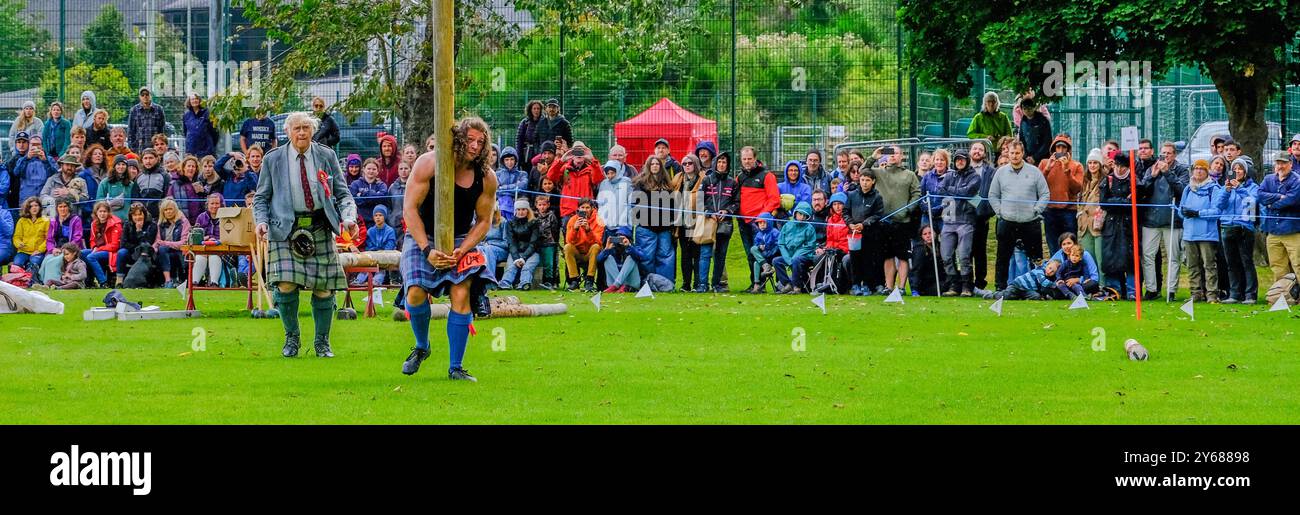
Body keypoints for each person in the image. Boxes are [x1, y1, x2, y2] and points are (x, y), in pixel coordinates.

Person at [398, 117, 500, 381]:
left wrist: (463, 249)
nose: (475, 146)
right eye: (470, 140)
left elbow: (485, 221)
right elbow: (409, 209)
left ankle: (456, 367)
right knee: (416, 293)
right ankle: (422, 346)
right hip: (423, 235)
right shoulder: (428, 163)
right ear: (457, 138)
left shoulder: (487, 178)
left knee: (461, 292)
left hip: (461, 239)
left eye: (481, 142)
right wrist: (426, 249)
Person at [253, 112, 359, 359]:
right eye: (297, 128)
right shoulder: (273, 159)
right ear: (288, 132)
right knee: (286, 284)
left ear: (313, 131)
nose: (301, 133)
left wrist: (348, 217)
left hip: (320, 225)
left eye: (306, 128)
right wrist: (261, 222)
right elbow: (261, 197)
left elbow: (343, 194)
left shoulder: (326, 155)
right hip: (284, 229)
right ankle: (292, 338)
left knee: (324, 288)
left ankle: (322, 343)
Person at [988, 140, 1049, 290]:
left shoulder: (1034, 172)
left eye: (1017, 153)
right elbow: (993, 195)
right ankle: (1000, 288)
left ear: (1023, 153)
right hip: (1007, 221)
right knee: (1002, 257)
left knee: (1036, 257)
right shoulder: (1000, 172)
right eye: (1012, 153)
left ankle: (1038, 287)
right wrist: (1000, 211)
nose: (1014, 156)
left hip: (1030, 221)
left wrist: (1037, 209)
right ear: (1007, 154)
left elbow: (1045, 194)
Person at [1137, 141, 1189, 301]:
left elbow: (1182, 190)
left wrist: (1168, 173)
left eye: (1168, 153)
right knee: (1148, 255)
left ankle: (1171, 290)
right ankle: (1152, 289)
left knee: (1173, 257)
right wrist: (1152, 177)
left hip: (1172, 219)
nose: (1165, 156)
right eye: (1163, 153)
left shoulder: (1181, 170)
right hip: (1151, 219)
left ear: (1174, 154)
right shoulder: (1151, 169)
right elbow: (1142, 189)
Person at [873, 144, 922, 294]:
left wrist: (907, 210)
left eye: (896, 153)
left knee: (902, 257)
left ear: (902, 156)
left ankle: (901, 287)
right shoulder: (879, 172)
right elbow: (862, 172)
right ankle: (888, 287)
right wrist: (874, 156)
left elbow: (917, 194)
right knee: (887, 257)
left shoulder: (909, 175)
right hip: (884, 222)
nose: (893, 155)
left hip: (902, 222)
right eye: (890, 153)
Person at [1178, 160, 1225, 303]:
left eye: (1202, 169)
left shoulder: (1214, 189)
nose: (1198, 171)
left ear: (1207, 171)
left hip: (1207, 234)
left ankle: (1212, 294)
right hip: (1189, 233)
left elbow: (1217, 212)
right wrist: (1185, 212)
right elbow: (1181, 209)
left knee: (1209, 265)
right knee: (1192, 265)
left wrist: (1198, 213)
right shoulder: (1188, 189)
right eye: (1196, 168)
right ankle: (1195, 293)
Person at [938, 150, 981, 296]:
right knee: (946, 255)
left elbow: (968, 192)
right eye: (957, 160)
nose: (960, 162)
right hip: (949, 219)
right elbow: (941, 190)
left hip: (966, 220)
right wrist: (958, 191)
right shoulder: (949, 175)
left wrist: (953, 191)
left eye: (962, 159)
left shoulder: (975, 176)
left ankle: (967, 286)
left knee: (964, 255)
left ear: (967, 161)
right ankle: (953, 285)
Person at [737, 146, 781, 284]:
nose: (747, 161)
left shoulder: (767, 176)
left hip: (760, 222)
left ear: (755, 158)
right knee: (750, 254)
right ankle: (754, 282)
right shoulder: (740, 177)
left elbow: (774, 199)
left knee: (759, 253)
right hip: (744, 222)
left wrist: (762, 216)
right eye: (744, 159)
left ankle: (760, 283)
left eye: (749, 159)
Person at [631, 155, 678, 283]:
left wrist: (672, 223)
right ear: (648, 166)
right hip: (646, 228)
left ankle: (665, 283)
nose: (655, 166)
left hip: (664, 228)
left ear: (661, 166)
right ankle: (646, 283)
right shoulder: (640, 183)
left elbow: (673, 206)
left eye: (657, 164)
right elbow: (635, 205)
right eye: (652, 164)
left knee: (666, 257)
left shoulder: (668, 185)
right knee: (646, 257)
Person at [1220, 157, 1259, 304]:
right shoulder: (1227, 187)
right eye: (1234, 169)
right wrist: (1227, 190)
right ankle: (1234, 294)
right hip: (1227, 226)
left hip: (1244, 227)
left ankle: (1250, 294)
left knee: (1246, 261)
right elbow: (1220, 205)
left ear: (1245, 171)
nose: (1237, 172)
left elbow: (1252, 203)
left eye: (1240, 169)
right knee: (1231, 263)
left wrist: (1239, 188)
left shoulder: (1252, 187)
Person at [1099, 153, 1137, 299]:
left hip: (1128, 225)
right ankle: (1114, 290)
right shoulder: (1107, 180)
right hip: (1111, 225)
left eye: (1123, 166)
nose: (1120, 169)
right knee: (1110, 258)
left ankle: (1132, 291)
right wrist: (1123, 201)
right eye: (1117, 165)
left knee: (1130, 259)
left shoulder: (1134, 180)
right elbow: (1103, 203)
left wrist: (1114, 202)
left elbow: (1134, 203)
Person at [1258, 151, 1300, 283]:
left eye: (1283, 163)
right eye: (1278, 163)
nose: (1280, 166)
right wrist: (1278, 196)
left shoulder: (1297, 181)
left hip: (1292, 231)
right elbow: (1260, 195)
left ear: (1290, 164)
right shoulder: (1268, 179)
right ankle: (1284, 296)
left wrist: (1271, 204)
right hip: (1273, 231)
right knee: (1277, 266)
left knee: (1298, 264)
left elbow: (1291, 200)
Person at [1039, 135, 1084, 255]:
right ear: (1053, 149)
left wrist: (1067, 171)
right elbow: (1037, 185)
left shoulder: (1076, 165)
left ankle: (1071, 269)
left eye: (1064, 147)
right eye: (1058, 147)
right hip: (1050, 210)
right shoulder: (1044, 163)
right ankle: (1057, 269)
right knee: (1053, 245)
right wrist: (1047, 169)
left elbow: (1077, 189)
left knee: (1071, 246)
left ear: (1068, 150)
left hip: (1069, 210)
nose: (1060, 150)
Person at [845, 169, 885, 295]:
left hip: (870, 234)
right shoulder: (852, 195)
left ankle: (867, 285)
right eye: (862, 180)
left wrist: (864, 224)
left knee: (868, 259)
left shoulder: (877, 197)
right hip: (854, 234)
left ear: (873, 181)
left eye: (868, 180)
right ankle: (855, 284)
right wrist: (850, 223)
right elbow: (845, 212)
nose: (864, 183)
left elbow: (878, 214)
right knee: (854, 259)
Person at [546, 142, 601, 220]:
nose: (579, 154)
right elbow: (550, 176)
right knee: (568, 231)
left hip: (586, 209)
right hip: (568, 210)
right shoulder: (565, 168)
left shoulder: (591, 169)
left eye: (582, 151)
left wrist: (592, 159)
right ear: (571, 153)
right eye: (576, 151)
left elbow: (598, 179)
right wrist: (561, 160)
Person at [675, 154, 706, 291]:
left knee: (697, 253)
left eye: (689, 163)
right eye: (684, 164)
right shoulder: (678, 179)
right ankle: (686, 283)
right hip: (681, 222)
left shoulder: (703, 179)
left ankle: (698, 283)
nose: (687, 166)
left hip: (697, 221)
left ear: (695, 164)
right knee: (685, 254)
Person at [772, 201, 817, 294]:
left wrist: (794, 257)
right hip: (789, 256)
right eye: (800, 214)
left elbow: (810, 246)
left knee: (796, 260)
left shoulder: (809, 228)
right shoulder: (787, 225)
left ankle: (797, 287)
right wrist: (787, 257)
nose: (802, 217)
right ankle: (787, 284)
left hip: (805, 257)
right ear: (795, 213)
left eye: (805, 215)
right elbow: (781, 243)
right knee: (776, 261)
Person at [563, 198, 605, 292]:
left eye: (587, 207)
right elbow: (569, 240)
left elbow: (598, 241)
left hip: (591, 253)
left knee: (596, 247)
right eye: (582, 207)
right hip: (578, 252)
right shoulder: (572, 220)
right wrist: (575, 229)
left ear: (592, 208)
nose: (585, 210)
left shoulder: (599, 220)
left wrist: (588, 230)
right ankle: (574, 281)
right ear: (578, 209)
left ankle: (589, 280)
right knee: (567, 247)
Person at [80, 201, 123, 288]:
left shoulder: (115, 224)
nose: (102, 214)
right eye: (100, 211)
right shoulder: (94, 224)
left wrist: (98, 249)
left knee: (91, 257)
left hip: (111, 252)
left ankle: (103, 282)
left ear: (108, 212)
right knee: (82, 253)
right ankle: (89, 281)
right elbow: (92, 240)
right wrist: (95, 247)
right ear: (96, 212)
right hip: (99, 249)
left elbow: (115, 245)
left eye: (105, 211)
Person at [500, 199, 540, 290]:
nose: (521, 212)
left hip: (532, 252)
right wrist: (516, 258)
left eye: (523, 209)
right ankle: (505, 284)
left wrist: (524, 258)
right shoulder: (510, 223)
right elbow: (511, 242)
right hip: (516, 252)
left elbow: (534, 243)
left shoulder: (534, 223)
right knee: (511, 267)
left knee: (527, 267)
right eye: (518, 210)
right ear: (515, 211)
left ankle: (524, 284)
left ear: (527, 210)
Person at [115, 202, 157, 286]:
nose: (137, 217)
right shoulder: (127, 225)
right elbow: (123, 244)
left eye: (140, 214)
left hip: (145, 255)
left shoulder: (152, 225)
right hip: (132, 253)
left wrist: (139, 231)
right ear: (131, 216)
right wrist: (137, 248)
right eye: (135, 215)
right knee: (121, 252)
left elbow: (148, 244)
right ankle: (119, 281)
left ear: (144, 214)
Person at [356, 204, 397, 286]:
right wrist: (375, 251)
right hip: (373, 255)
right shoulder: (370, 231)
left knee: (381, 265)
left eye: (380, 215)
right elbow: (368, 246)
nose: (378, 217)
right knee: (367, 263)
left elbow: (390, 246)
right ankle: (359, 280)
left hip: (385, 255)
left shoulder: (390, 231)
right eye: (376, 215)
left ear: (384, 217)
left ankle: (376, 281)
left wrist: (379, 252)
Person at [189, 194, 226, 286]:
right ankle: (195, 283)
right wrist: (207, 238)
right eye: (212, 203)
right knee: (200, 257)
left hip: (221, 248)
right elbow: (195, 236)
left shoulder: (226, 217)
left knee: (214, 256)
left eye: (217, 203)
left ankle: (214, 283)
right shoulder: (201, 217)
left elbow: (230, 236)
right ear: (207, 205)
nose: (214, 206)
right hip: (204, 248)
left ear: (221, 204)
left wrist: (216, 240)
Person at [153, 198, 190, 288]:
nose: (168, 212)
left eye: (170, 209)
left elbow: (183, 243)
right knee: (160, 249)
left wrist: (165, 243)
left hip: (180, 251)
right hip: (165, 252)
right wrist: (152, 250)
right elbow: (157, 241)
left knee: (163, 248)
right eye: (166, 210)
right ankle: (168, 280)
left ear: (175, 210)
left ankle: (175, 280)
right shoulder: (160, 224)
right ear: (163, 212)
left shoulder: (183, 222)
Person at [983, 258, 1060, 300]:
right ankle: (992, 295)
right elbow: (1043, 282)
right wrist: (1054, 285)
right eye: (1049, 268)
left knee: (1036, 296)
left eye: (1053, 271)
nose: (1050, 271)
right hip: (1017, 285)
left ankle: (1020, 297)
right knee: (1007, 295)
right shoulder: (1040, 270)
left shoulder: (1049, 276)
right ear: (1047, 265)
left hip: (1027, 290)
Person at [15, 134, 57, 206]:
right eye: (33, 144)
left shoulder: (49, 159)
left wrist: (45, 161)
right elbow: (16, 173)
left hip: (44, 198)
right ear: (29, 145)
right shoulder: (22, 159)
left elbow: (54, 176)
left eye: (38, 144)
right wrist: (27, 158)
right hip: (26, 199)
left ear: (42, 146)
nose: (36, 147)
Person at [599, 226, 643, 292]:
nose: (620, 240)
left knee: (631, 258)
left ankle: (617, 285)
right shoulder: (612, 248)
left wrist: (629, 247)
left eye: (623, 238)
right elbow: (599, 260)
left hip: (631, 283)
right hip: (613, 282)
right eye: (618, 237)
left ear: (628, 239)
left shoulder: (633, 247)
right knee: (608, 258)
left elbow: (641, 257)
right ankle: (619, 286)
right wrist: (606, 249)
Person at [746, 213, 781, 293]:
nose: (761, 225)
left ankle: (766, 266)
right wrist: (759, 247)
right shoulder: (758, 234)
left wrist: (768, 250)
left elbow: (778, 245)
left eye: (763, 222)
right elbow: (756, 245)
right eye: (759, 223)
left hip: (773, 256)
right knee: (755, 259)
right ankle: (757, 284)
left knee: (754, 251)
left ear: (769, 222)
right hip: (764, 258)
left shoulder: (775, 232)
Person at [12, 197, 49, 270]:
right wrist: (19, 243)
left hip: (38, 251)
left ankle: (31, 280)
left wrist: (39, 250)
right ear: (27, 208)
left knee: (34, 263)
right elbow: (16, 237)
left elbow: (48, 239)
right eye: (31, 206)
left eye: (36, 205)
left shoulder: (46, 221)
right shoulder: (22, 221)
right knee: (17, 263)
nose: (34, 208)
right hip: (23, 251)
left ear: (40, 207)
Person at [349, 158, 389, 225]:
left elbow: (382, 200)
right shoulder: (355, 184)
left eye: (374, 169)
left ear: (377, 171)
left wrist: (363, 194)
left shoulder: (382, 185)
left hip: (377, 223)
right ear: (363, 169)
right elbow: (356, 202)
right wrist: (375, 195)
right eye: (369, 169)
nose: (371, 171)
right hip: (360, 222)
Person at [597, 160, 633, 231]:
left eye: (612, 173)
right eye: (607, 173)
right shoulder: (604, 183)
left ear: (618, 171)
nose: (610, 176)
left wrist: (629, 220)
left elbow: (631, 202)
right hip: (607, 223)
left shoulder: (626, 182)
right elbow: (600, 203)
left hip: (623, 223)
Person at [533, 194, 560, 289]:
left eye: (544, 204)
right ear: (536, 205)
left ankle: (551, 281)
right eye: (540, 205)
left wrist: (554, 241)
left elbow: (555, 230)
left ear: (548, 205)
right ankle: (540, 280)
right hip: (538, 243)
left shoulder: (551, 216)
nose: (542, 207)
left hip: (549, 242)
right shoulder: (534, 216)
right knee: (540, 262)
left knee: (549, 263)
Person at [126, 87, 166, 152]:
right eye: (142, 95)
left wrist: (160, 146)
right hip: (139, 147)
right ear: (139, 97)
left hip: (155, 147)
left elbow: (162, 130)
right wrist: (132, 147)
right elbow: (131, 130)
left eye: (147, 94)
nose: (145, 96)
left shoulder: (159, 109)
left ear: (151, 95)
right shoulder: (134, 110)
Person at [909, 224, 944, 297]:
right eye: (925, 234)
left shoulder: (941, 246)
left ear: (935, 233)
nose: (928, 236)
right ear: (921, 237)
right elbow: (916, 270)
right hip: (927, 284)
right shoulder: (920, 249)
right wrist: (915, 289)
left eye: (930, 233)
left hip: (940, 279)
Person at [495, 146, 528, 221]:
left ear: (516, 160)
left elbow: (521, 187)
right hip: (501, 202)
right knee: (505, 200)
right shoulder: (497, 174)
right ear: (503, 161)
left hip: (518, 201)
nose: (509, 162)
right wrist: (514, 187)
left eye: (512, 159)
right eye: (506, 160)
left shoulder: (522, 174)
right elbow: (496, 191)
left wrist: (502, 187)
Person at [134, 149, 169, 218]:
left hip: (160, 215)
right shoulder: (139, 177)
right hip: (142, 215)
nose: (148, 161)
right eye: (145, 158)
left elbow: (167, 195)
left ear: (156, 159)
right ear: (142, 160)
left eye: (151, 158)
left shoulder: (164, 175)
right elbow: (135, 198)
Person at [183, 93, 220, 158]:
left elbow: (215, 132)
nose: (195, 101)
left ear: (200, 100)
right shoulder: (186, 115)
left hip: (206, 150)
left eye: (196, 98)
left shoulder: (208, 113)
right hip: (191, 150)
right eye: (192, 99)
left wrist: (211, 145)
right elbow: (185, 131)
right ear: (189, 101)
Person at [1017, 97, 1052, 165]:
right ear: (1021, 109)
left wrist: (1035, 157)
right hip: (1027, 158)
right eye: (1024, 108)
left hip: (1041, 158)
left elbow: (1047, 141)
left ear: (1034, 107)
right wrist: (1026, 156)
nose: (1027, 110)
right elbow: (1022, 140)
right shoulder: (1023, 121)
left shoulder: (1043, 120)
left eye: (1029, 108)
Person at [515, 100, 544, 172]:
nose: (536, 110)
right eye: (534, 108)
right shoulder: (525, 122)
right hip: (527, 154)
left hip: (539, 153)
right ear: (530, 110)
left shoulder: (544, 122)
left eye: (538, 108)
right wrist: (519, 156)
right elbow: (519, 140)